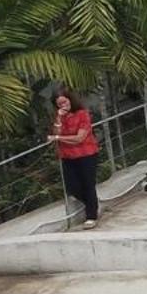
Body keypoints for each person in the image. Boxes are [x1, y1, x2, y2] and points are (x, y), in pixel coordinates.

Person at [49, 87, 101, 229]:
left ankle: (91, 215)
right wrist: (59, 118)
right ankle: (93, 204)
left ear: (70, 100)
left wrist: (58, 138)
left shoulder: (82, 114)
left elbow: (79, 138)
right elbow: (55, 131)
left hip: (86, 154)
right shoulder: (60, 117)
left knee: (88, 184)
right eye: (59, 104)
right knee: (72, 187)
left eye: (64, 102)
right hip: (67, 156)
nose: (63, 106)